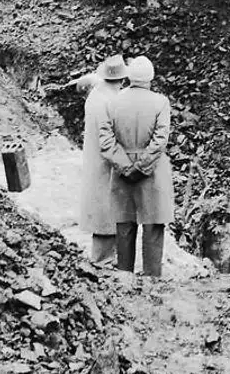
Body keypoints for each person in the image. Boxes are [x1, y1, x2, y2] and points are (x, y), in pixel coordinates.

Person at [99, 55, 174, 278]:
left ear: (129, 76)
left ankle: (125, 282)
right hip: (152, 173)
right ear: (150, 78)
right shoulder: (160, 102)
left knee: (124, 228)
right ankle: (152, 282)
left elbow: (105, 141)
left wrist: (125, 166)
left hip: (122, 174)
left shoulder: (112, 102)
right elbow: (160, 140)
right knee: (153, 229)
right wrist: (141, 167)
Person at [74, 54, 130, 263]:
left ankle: (106, 259)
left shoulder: (96, 94)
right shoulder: (113, 103)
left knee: (103, 211)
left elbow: (89, 82)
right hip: (108, 165)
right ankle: (104, 263)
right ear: (123, 79)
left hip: (94, 161)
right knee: (108, 215)